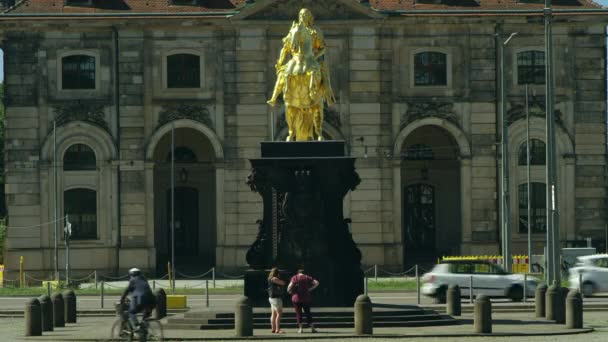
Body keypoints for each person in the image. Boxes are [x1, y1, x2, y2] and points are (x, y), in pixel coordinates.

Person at [287, 268, 319, 333]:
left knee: (298, 313)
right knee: (308, 312)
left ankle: (300, 329)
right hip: (306, 298)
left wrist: (289, 291)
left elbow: (289, 286)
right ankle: (312, 328)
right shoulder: (307, 277)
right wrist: (310, 289)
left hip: (296, 298)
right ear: (304, 273)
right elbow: (317, 283)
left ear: (298, 272)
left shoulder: (295, 277)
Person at [267, 267, 286, 334]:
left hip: (271, 297)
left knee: (273, 314)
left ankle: (273, 328)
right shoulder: (274, 278)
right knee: (279, 313)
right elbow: (283, 283)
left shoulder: (269, 278)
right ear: (277, 273)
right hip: (276, 298)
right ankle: (277, 329)